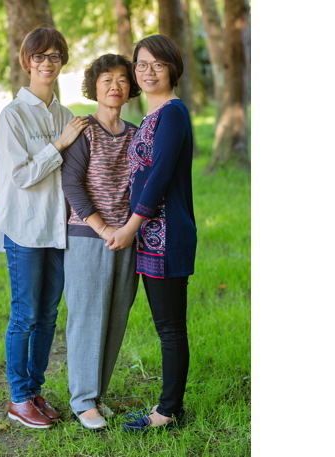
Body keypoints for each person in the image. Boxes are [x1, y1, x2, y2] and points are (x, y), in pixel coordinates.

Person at [0, 26, 89, 429]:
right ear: (27, 62)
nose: (47, 63)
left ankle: (34, 390)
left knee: (48, 314)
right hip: (25, 228)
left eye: (55, 56)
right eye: (39, 56)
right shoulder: (13, 115)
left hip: (58, 229)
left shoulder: (65, 115)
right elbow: (22, 176)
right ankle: (18, 398)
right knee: (25, 314)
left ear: (62, 62)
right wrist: (59, 144)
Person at [106, 34, 197, 431]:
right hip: (149, 236)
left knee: (170, 328)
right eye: (141, 64)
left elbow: (158, 177)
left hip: (168, 236)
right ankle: (170, 407)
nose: (148, 72)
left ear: (172, 69)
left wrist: (130, 227)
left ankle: (168, 412)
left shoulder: (173, 113)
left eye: (157, 64)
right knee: (166, 326)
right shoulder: (151, 116)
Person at [60, 54, 141, 430]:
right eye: (106, 79)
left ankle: (97, 395)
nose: (115, 86)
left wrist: (126, 230)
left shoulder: (136, 133)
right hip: (88, 236)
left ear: (130, 88)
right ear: (94, 86)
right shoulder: (84, 130)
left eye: (122, 79)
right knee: (88, 317)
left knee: (115, 316)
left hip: (127, 238)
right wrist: (104, 228)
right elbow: (72, 185)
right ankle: (82, 400)